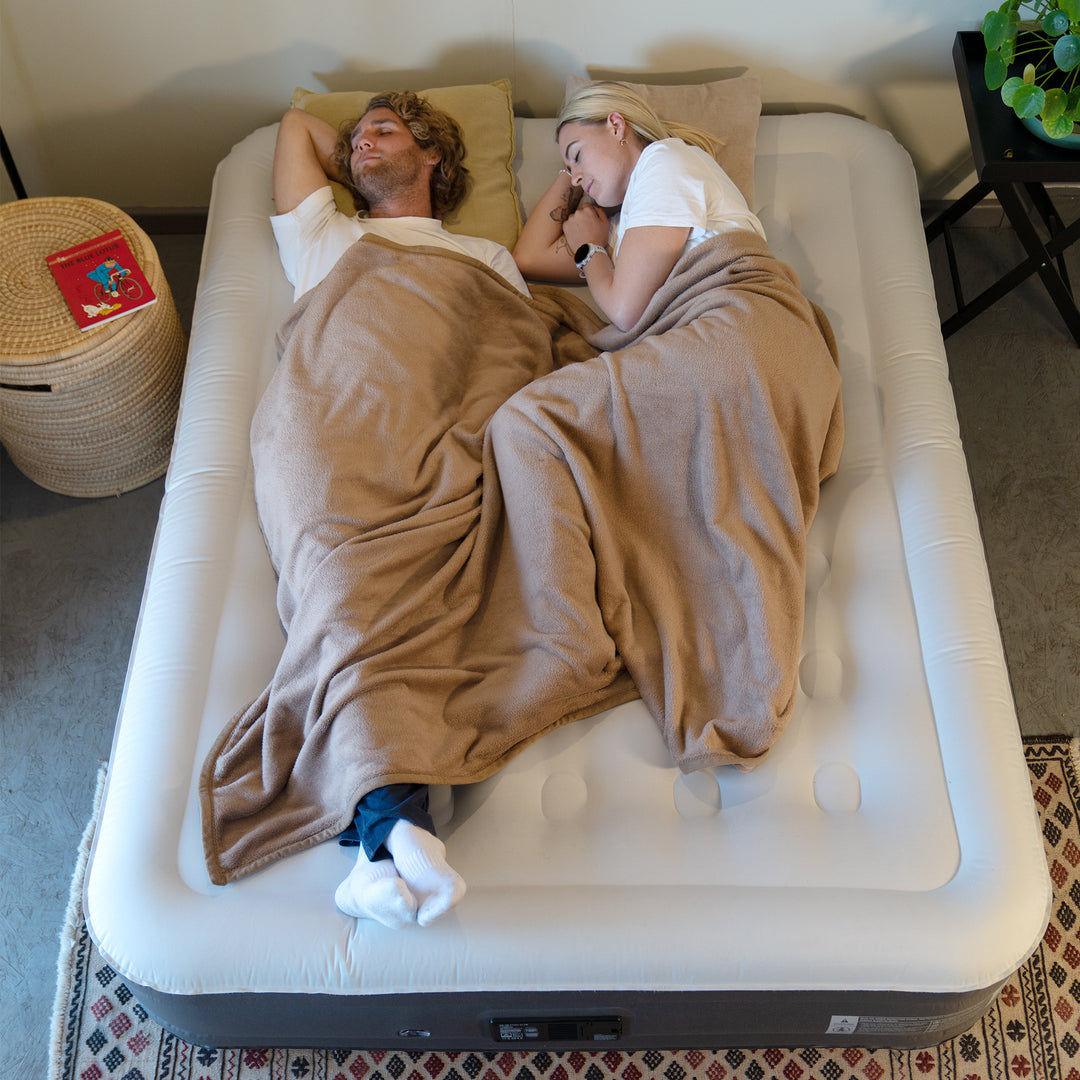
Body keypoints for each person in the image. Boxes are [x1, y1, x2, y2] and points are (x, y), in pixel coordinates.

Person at [269, 90, 527, 929]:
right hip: (330, 415)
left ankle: (383, 845)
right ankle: (394, 828)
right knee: (342, 575)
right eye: (355, 141)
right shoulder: (326, 235)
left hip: (437, 433)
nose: (360, 145)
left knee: (416, 589)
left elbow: (510, 356)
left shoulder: (484, 255)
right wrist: (360, 145)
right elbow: (296, 126)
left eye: (385, 132)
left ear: (435, 157)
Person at [512, 81, 766, 331]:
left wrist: (589, 249)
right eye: (569, 169)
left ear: (616, 126)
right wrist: (573, 171)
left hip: (738, 321)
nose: (575, 178)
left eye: (578, 154)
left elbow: (625, 314)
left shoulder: (664, 161)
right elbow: (528, 258)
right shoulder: (623, 228)